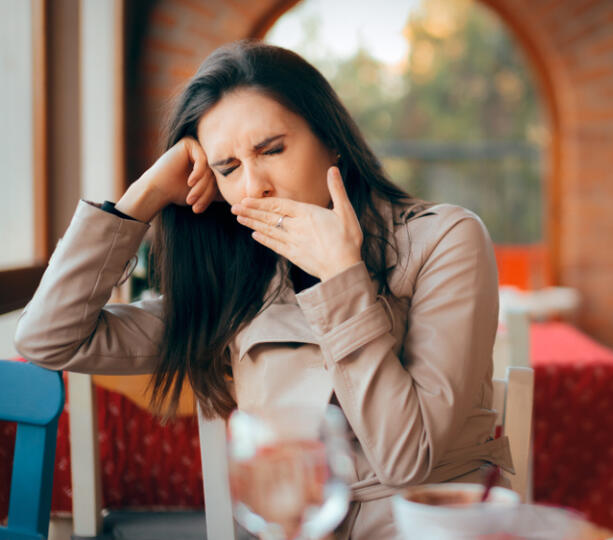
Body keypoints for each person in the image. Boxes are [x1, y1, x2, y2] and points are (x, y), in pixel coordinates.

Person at [14, 40, 511, 539]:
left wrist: (339, 277)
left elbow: (408, 460)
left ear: (331, 138)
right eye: (227, 169)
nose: (252, 187)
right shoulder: (237, 277)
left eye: (271, 150)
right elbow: (48, 338)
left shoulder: (444, 239)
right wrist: (140, 200)